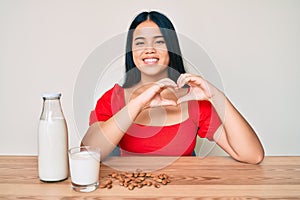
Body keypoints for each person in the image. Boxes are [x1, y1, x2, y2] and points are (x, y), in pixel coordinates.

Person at [82, 11, 264, 164]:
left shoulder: (193, 100)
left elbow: (252, 155)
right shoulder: (113, 98)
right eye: (140, 43)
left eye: (159, 41)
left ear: (171, 48)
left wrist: (216, 96)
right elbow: (88, 152)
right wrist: (138, 103)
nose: (149, 49)